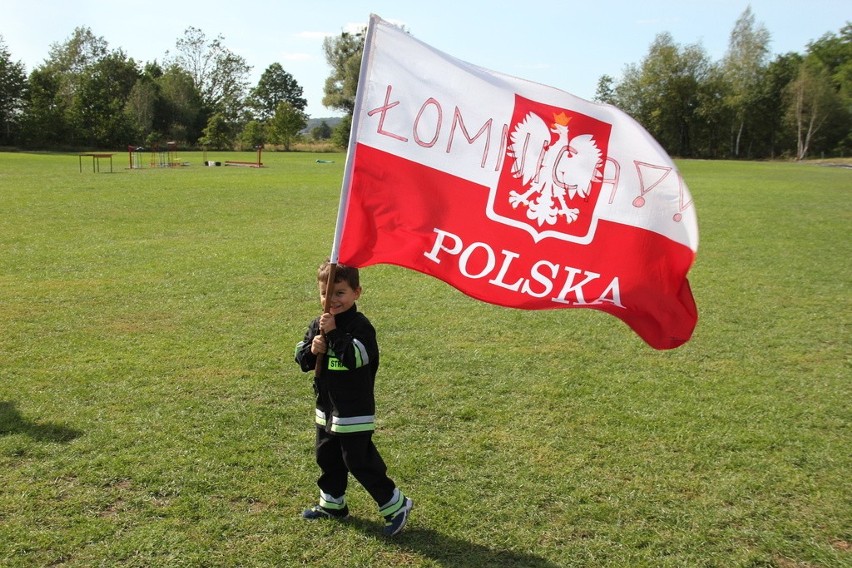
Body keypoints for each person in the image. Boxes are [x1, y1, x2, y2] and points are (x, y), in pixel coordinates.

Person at [294, 261, 413, 536]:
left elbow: (356, 358)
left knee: (358, 460)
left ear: (356, 292)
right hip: (326, 408)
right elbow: (301, 359)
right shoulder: (318, 323)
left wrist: (334, 334)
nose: (331, 300)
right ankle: (332, 504)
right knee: (327, 457)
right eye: (325, 293)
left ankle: (396, 505)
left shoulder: (360, 327)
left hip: (353, 409)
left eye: (340, 293)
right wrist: (313, 348)